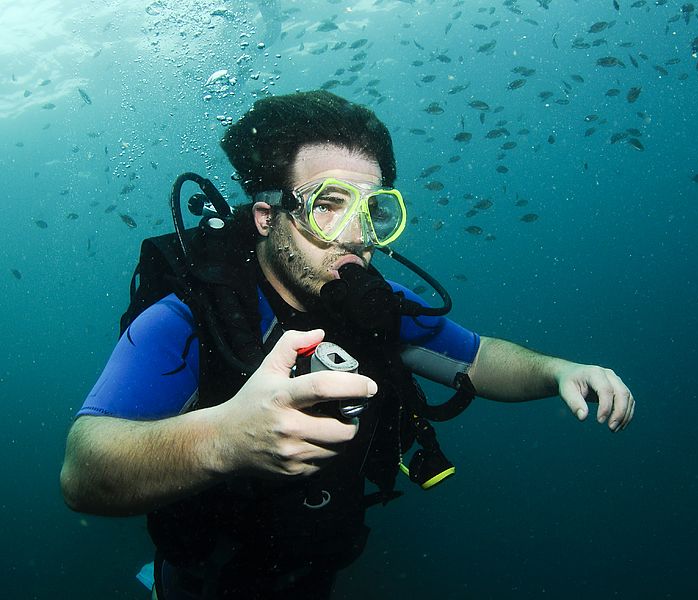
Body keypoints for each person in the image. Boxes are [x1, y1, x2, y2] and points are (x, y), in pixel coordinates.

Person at [60, 90, 635, 600]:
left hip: (315, 564)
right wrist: (226, 439)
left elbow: (479, 359)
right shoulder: (190, 313)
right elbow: (83, 470)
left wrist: (558, 370)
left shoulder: (377, 304)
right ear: (267, 217)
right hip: (204, 573)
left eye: (371, 209)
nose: (358, 235)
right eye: (327, 205)